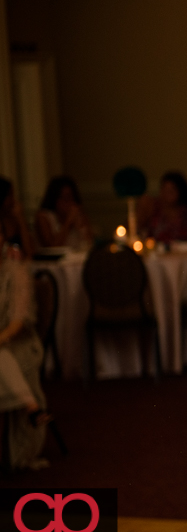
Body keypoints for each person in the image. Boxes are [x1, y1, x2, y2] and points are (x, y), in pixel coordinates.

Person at [0, 225, 48, 470]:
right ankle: (30, 404)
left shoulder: (17, 272)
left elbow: (18, 322)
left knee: (2, 355)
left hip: (20, 343)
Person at [35, 176, 93, 249]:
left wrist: (80, 226)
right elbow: (51, 247)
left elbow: (90, 244)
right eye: (66, 198)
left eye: (72, 198)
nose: (70, 203)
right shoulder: (44, 217)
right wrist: (68, 222)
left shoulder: (78, 215)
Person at [141, 172, 187, 243]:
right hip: (157, 250)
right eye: (165, 190)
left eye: (171, 191)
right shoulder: (152, 207)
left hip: (183, 251)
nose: (167, 194)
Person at [0, 178, 36, 259]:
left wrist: (21, 219)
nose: (13, 200)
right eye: (9, 195)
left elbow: (30, 251)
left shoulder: (15, 219)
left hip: (20, 264)